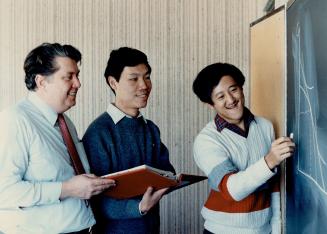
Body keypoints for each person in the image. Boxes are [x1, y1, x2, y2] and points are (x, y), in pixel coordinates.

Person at [0, 43, 115, 234]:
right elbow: (3, 191)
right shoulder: (14, 120)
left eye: (77, 75)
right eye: (69, 77)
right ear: (41, 82)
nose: (78, 83)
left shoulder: (65, 122)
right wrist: (67, 189)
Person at [192, 63, 295, 234]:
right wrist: (269, 161)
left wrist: (276, 228)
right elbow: (232, 190)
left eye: (233, 90)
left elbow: (274, 185)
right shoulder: (206, 140)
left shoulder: (265, 126)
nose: (231, 100)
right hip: (222, 231)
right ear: (210, 104)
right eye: (220, 96)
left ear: (241, 88)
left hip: (264, 229)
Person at [82, 47, 175, 234]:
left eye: (147, 77)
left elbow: (167, 171)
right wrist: (139, 206)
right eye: (134, 79)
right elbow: (95, 199)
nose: (144, 85)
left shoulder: (150, 128)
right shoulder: (98, 132)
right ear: (113, 82)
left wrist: (171, 180)